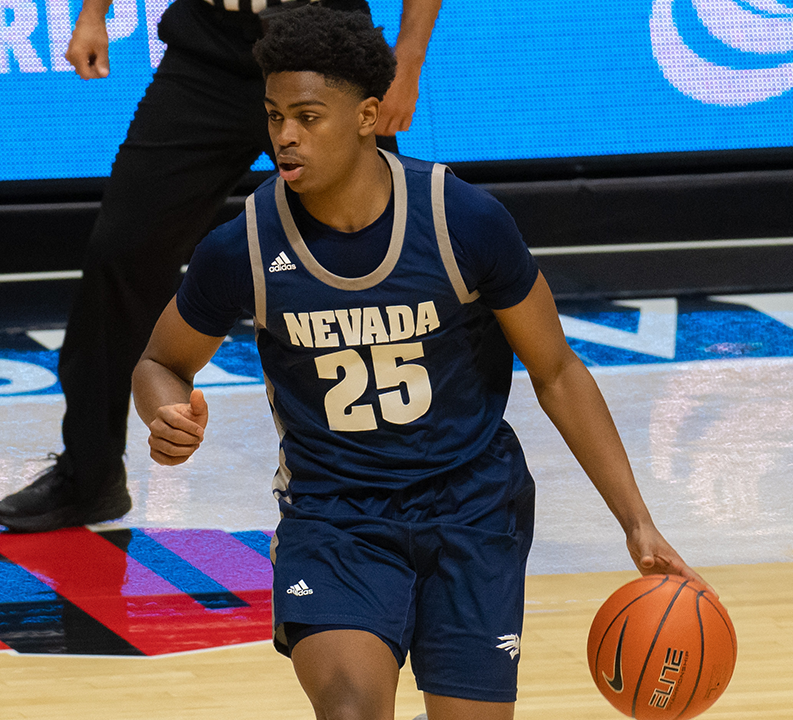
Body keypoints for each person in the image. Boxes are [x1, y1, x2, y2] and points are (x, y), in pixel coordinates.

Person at [131, 7, 711, 718]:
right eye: (274, 114)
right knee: (350, 711)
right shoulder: (245, 245)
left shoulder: (460, 220)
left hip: (471, 509)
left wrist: (636, 521)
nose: (283, 135)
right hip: (334, 516)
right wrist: (162, 410)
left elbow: (556, 371)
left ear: (369, 115)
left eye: (308, 116)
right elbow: (162, 360)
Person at [0, 0, 442, 532]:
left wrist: (407, 60)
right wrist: (93, 14)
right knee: (122, 251)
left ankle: (421, 472)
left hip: (322, 46)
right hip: (208, 48)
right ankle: (90, 477)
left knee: (381, 252)